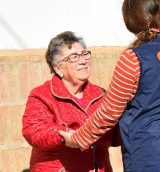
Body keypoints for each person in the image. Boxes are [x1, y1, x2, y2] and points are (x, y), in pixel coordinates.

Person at [60, 0, 160, 172]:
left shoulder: (133, 58)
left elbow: (109, 113)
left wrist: (77, 138)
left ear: (130, 19)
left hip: (153, 158)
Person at [22, 31, 121, 172]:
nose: (83, 61)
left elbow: (115, 137)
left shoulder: (100, 95)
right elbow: (33, 131)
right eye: (74, 57)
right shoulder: (42, 95)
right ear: (58, 68)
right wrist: (66, 135)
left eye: (84, 54)